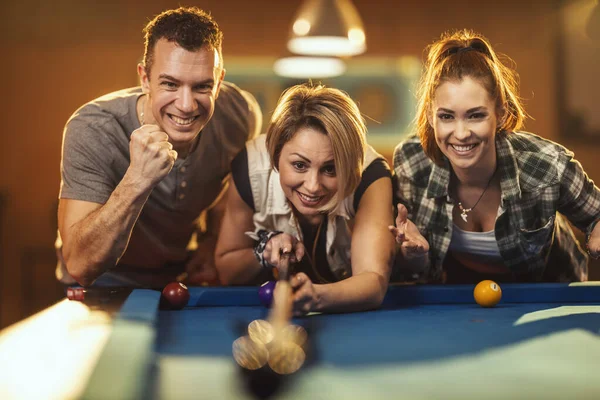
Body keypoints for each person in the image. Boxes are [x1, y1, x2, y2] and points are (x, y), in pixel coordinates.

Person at [56, 7, 262, 288]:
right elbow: (79, 264)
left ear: (219, 82)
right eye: (170, 84)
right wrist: (138, 178)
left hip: (178, 279)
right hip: (100, 283)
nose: (186, 105)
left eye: (202, 86)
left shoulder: (239, 115)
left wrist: (211, 240)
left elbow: (228, 189)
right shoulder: (93, 128)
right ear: (144, 78)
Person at [389, 29, 600, 284]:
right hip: (455, 302)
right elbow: (413, 268)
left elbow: (596, 215)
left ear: (500, 113)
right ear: (431, 117)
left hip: (547, 297)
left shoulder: (547, 164)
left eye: (476, 115)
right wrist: (414, 254)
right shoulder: (412, 163)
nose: (461, 133)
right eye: (446, 116)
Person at [215, 84, 395, 315]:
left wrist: (316, 297)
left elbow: (374, 283)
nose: (313, 186)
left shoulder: (371, 176)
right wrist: (264, 250)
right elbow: (226, 269)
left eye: (330, 169)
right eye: (299, 165)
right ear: (275, 154)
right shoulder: (249, 167)